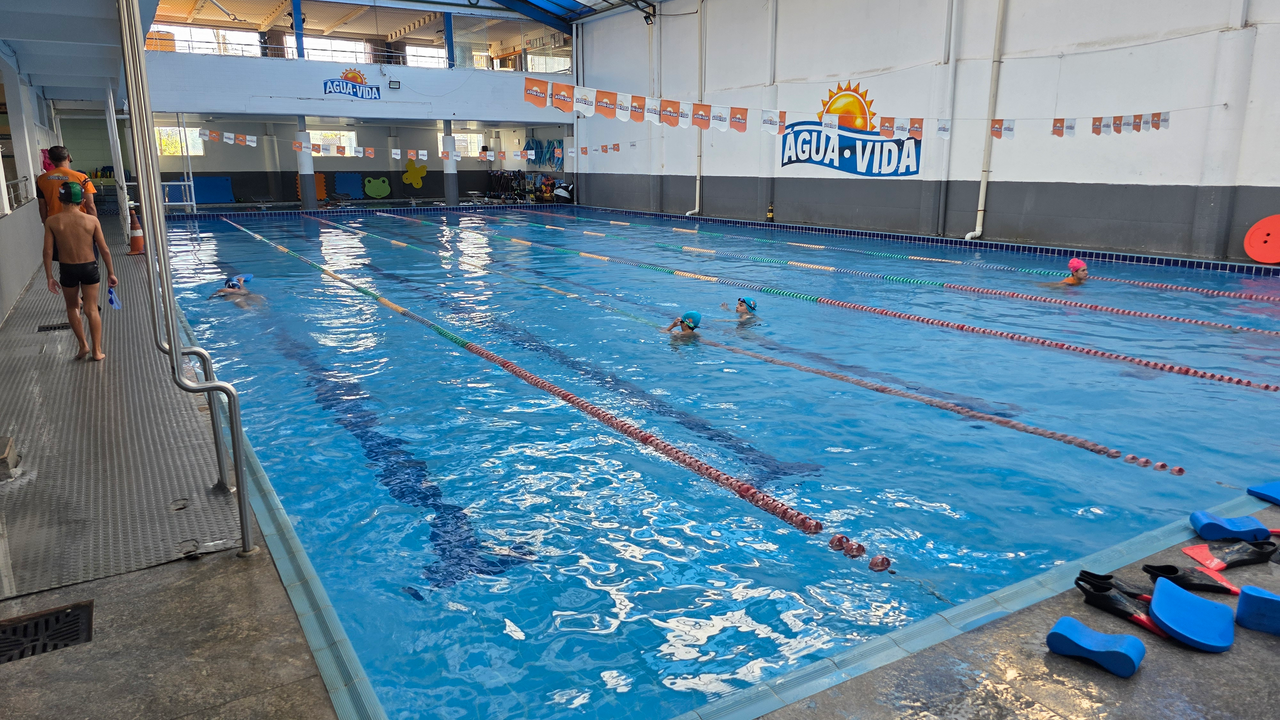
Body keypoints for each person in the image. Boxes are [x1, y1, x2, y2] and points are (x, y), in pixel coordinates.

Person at [44, 181, 116, 361]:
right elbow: (104, 249)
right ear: (82, 201)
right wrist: (111, 273)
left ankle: (83, 345)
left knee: (72, 307)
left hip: (67, 269)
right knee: (91, 309)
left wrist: (49, 277)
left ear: (60, 199)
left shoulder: (52, 221)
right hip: (89, 267)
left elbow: (48, 251)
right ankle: (97, 351)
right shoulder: (92, 220)